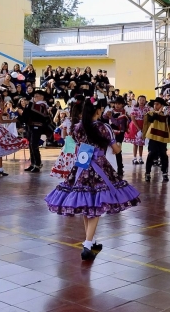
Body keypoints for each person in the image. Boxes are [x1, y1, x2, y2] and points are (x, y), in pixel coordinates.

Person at [44, 98, 141, 261]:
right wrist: (114, 145)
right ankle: (88, 244)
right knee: (95, 204)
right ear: (98, 111)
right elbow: (116, 150)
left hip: (81, 166)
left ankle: (92, 240)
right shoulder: (104, 128)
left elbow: (74, 143)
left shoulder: (77, 127)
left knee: (86, 202)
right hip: (99, 167)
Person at [142, 97, 170, 182]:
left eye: (157, 104)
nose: (155, 106)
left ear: (162, 106)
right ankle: (147, 173)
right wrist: (157, 113)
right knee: (151, 154)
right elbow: (151, 120)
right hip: (153, 137)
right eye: (155, 104)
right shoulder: (150, 113)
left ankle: (165, 173)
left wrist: (169, 116)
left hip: (163, 137)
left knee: (163, 155)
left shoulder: (165, 115)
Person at [21, 90, 52, 173]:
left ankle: (37, 164)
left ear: (42, 97)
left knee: (34, 145)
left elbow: (40, 112)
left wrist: (29, 105)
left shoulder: (42, 105)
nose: (35, 98)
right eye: (34, 96)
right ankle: (33, 163)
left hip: (37, 127)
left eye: (37, 96)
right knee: (31, 144)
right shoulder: (35, 105)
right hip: (31, 126)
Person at [50, 102, 81, 179]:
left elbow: (62, 134)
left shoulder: (67, 121)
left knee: (69, 166)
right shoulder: (85, 122)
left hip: (69, 144)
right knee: (81, 168)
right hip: (81, 146)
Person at [105, 97, 129, 178]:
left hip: (119, 135)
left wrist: (110, 116)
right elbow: (104, 118)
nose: (117, 105)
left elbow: (117, 123)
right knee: (109, 151)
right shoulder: (111, 111)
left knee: (118, 151)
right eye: (115, 103)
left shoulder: (123, 114)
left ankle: (120, 169)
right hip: (111, 134)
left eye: (119, 104)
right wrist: (106, 114)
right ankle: (109, 168)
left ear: (122, 104)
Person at [124, 96, 149, 164]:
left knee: (141, 143)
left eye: (143, 100)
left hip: (143, 126)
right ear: (138, 100)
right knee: (135, 143)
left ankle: (140, 158)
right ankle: (134, 158)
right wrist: (138, 128)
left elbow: (147, 118)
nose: (142, 101)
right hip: (135, 126)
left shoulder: (147, 109)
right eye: (140, 100)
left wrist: (144, 128)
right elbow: (132, 118)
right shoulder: (134, 108)